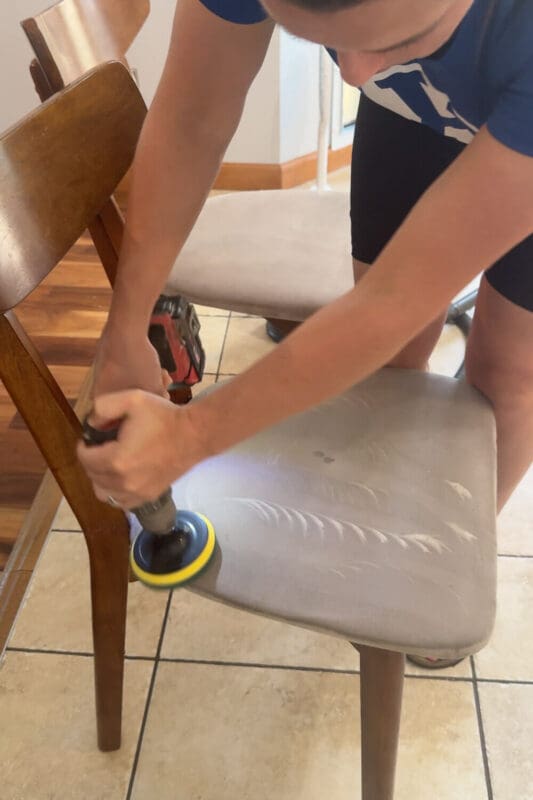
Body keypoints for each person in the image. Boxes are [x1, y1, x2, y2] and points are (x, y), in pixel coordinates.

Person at [78, 0, 532, 653]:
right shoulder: (374, 60)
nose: (351, 75)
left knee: (509, 370)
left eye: (402, 36)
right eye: (317, 39)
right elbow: (190, 120)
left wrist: (192, 434)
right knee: (395, 356)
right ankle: (383, 515)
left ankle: (445, 559)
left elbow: (394, 296)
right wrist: (126, 326)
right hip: (411, 111)